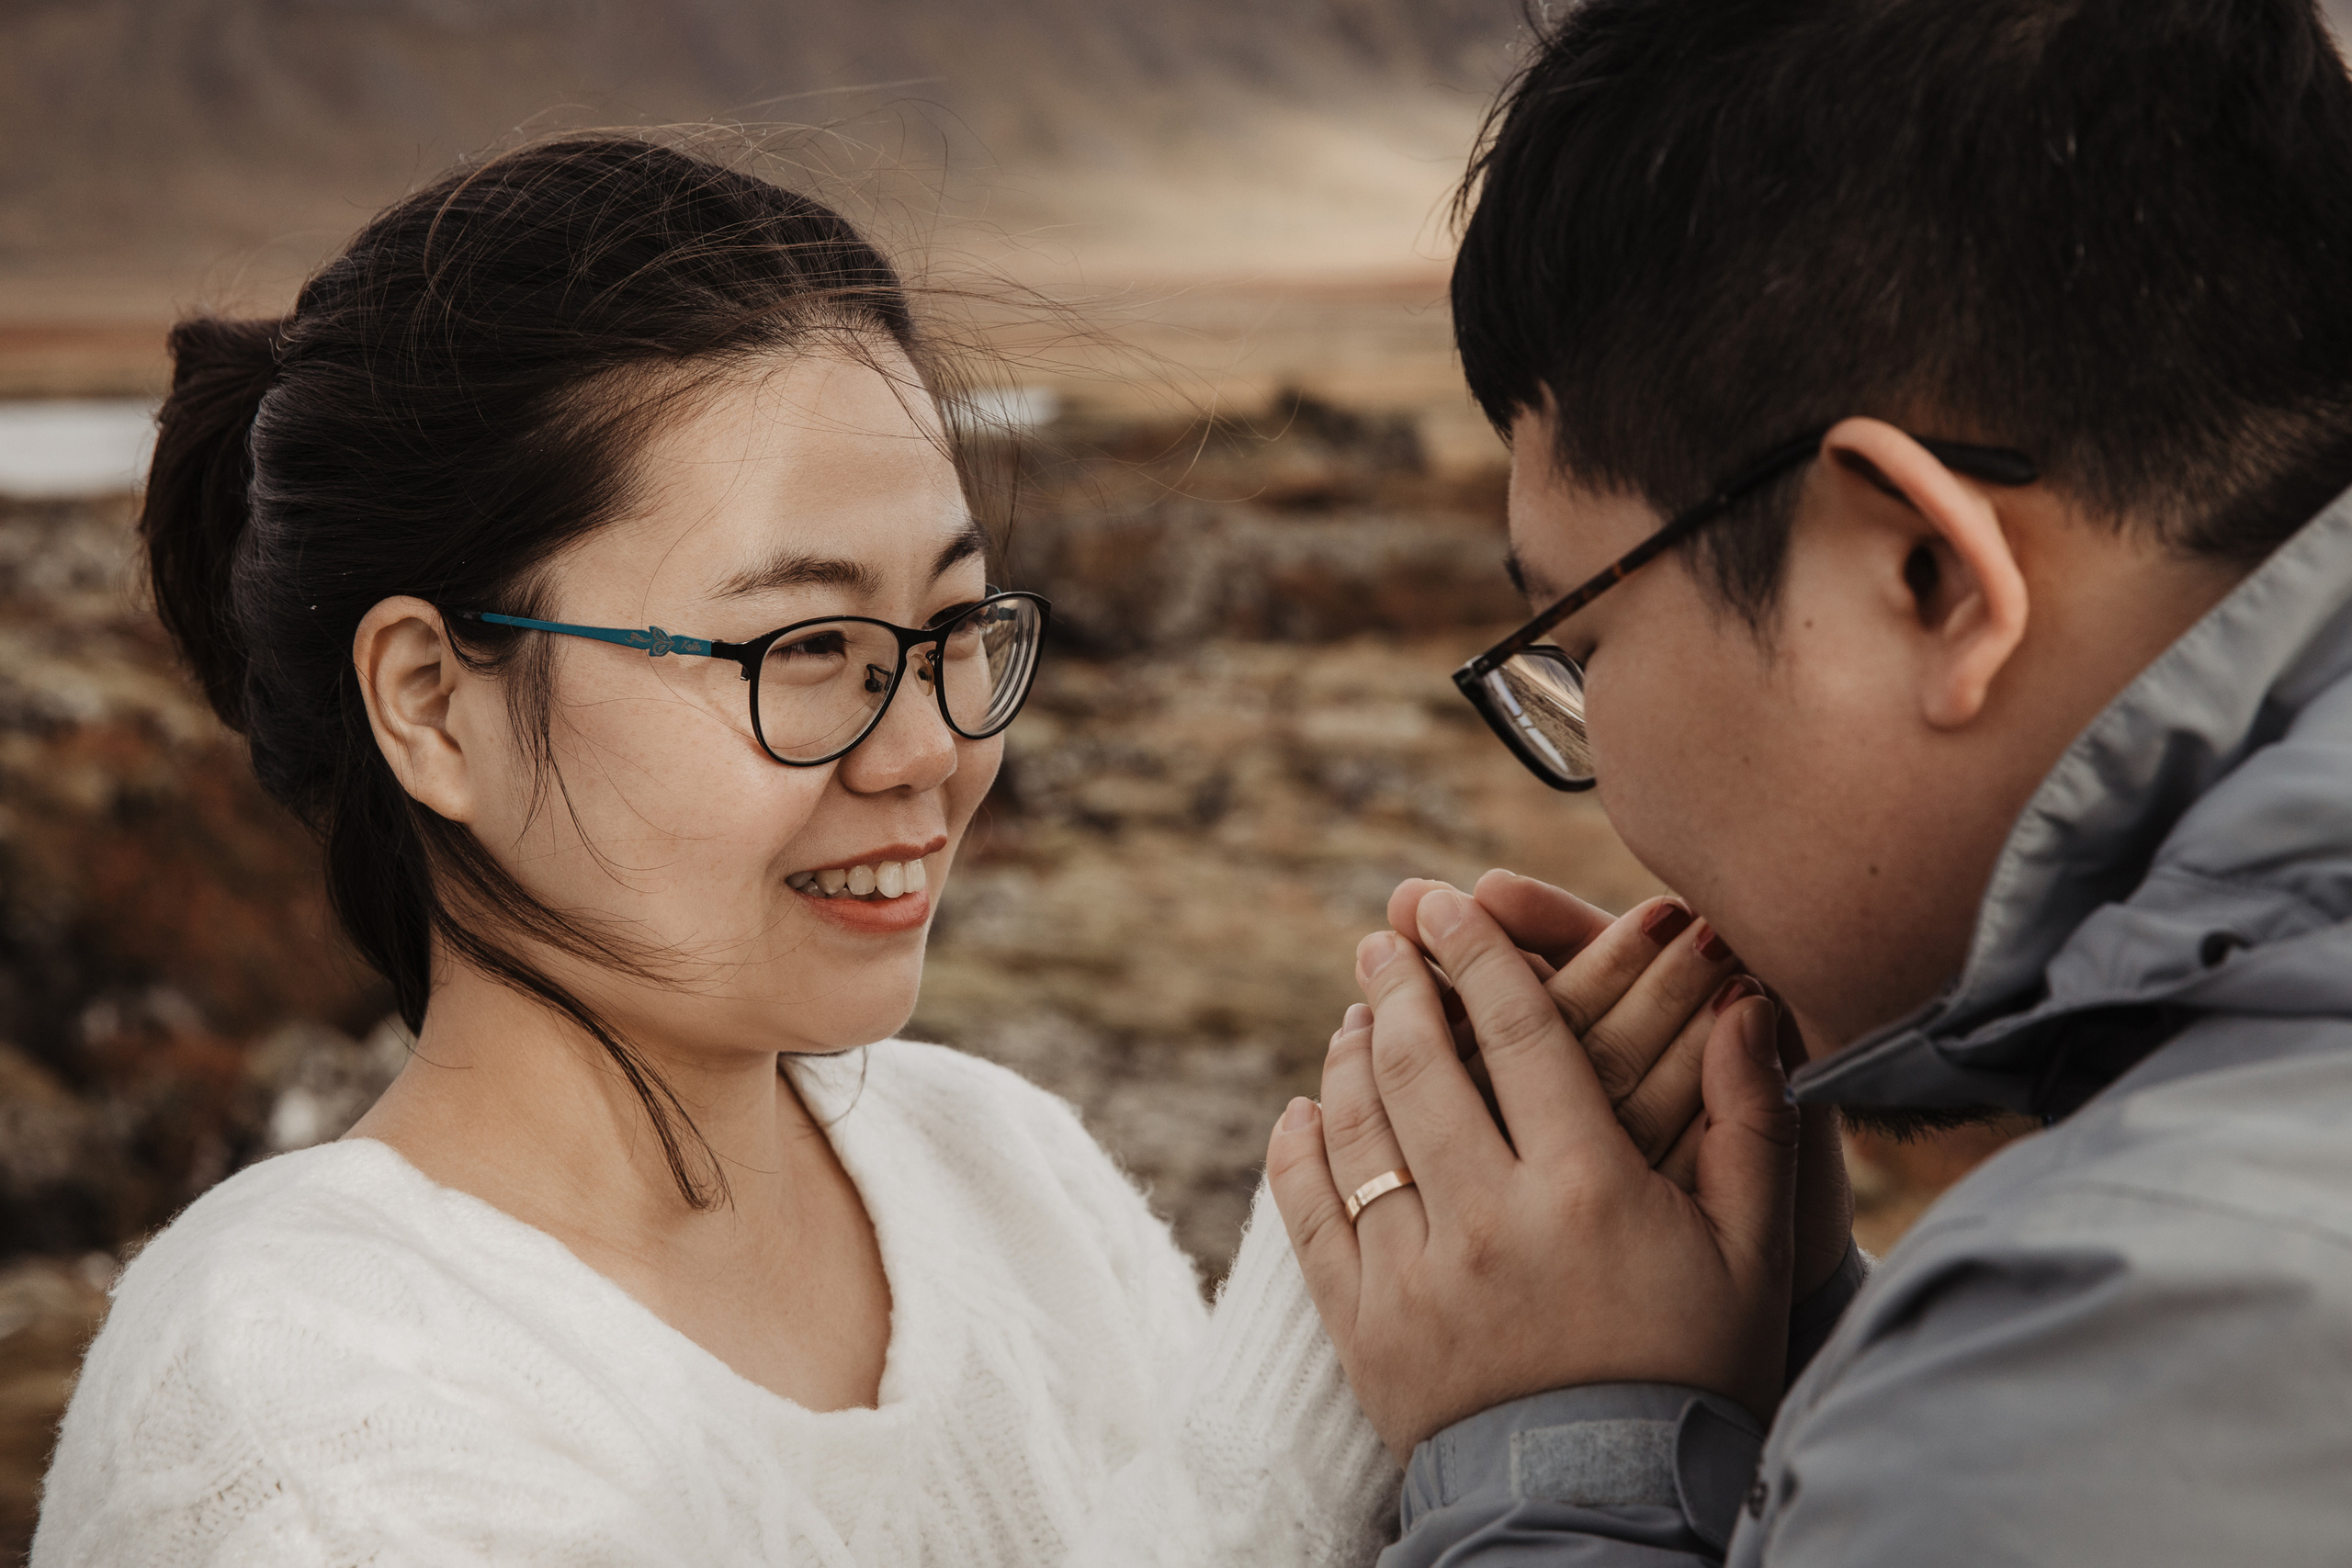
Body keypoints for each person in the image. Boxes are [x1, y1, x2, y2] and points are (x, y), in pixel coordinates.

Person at [29, 134, 1738, 1567]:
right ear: (430, 703)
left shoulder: (993, 1164)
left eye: (947, 627)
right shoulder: (299, 1418)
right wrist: (1360, 1372)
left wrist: (1434, 1294)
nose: (930, 749)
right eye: (807, 652)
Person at [1267, 0, 2352, 1562]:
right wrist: (1816, 1375)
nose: (1600, 775)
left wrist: (1558, 1460)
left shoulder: (2117, 1358)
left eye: (1581, 640)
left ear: (1927, 577)